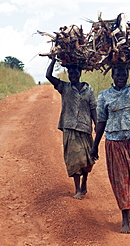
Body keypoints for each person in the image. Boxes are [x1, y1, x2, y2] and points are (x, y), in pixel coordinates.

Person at [90, 52, 130, 233]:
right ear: (112, 76)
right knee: (122, 180)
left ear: (127, 75)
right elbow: (100, 122)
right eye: (117, 74)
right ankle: (125, 218)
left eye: (123, 74)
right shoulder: (104, 96)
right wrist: (94, 145)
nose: (121, 77)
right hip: (114, 142)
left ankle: (128, 207)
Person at [46, 57, 97, 200]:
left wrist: (97, 126)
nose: (73, 75)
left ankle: (85, 181)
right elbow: (48, 76)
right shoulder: (65, 87)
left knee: (87, 160)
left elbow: (93, 108)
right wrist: (54, 60)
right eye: (70, 73)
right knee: (75, 160)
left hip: (85, 128)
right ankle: (78, 189)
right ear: (68, 74)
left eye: (75, 73)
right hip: (69, 127)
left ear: (80, 73)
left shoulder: (88, 89)